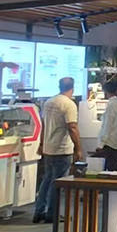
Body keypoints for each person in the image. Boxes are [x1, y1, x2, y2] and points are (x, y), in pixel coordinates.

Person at [33, 77, 82, 224]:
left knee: (47, 179)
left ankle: (39, 211)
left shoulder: (49, 102)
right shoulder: (69, 104)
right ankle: (52, 213)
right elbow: (72, 127)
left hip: (48, 148)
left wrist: (42, 144)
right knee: (58, 182)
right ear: (73, 88)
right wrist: (78, 148)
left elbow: (43, 125)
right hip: (62, 148)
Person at [97, 80, 117, 170]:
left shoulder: (111, 104)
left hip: (108, 142)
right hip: (115, 141)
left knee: (105, 168)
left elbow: (107, 125)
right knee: (112, 166)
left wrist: (101, 144)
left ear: (105, 91)